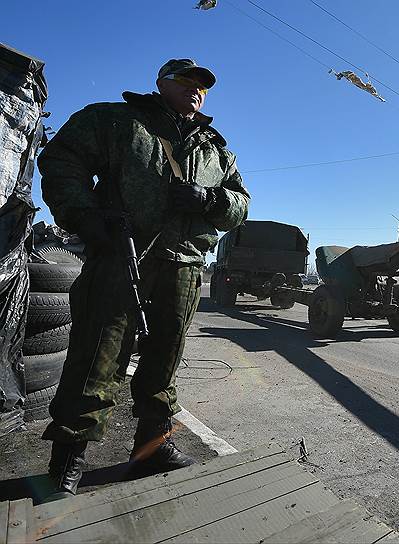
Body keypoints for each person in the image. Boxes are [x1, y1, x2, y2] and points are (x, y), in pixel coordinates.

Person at [37, 58, 250, 499]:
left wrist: (209, 198)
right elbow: (61, 159)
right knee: (98, 352)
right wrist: (83, 215)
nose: (196, 89)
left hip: (185, 265)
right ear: (161, 82)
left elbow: (240, 204)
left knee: (164, 357)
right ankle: (69, 458)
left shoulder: (216, 149)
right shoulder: (117, 121)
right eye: (185, 80)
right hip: (121, 256)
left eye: (203, 86)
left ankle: (153, 447)